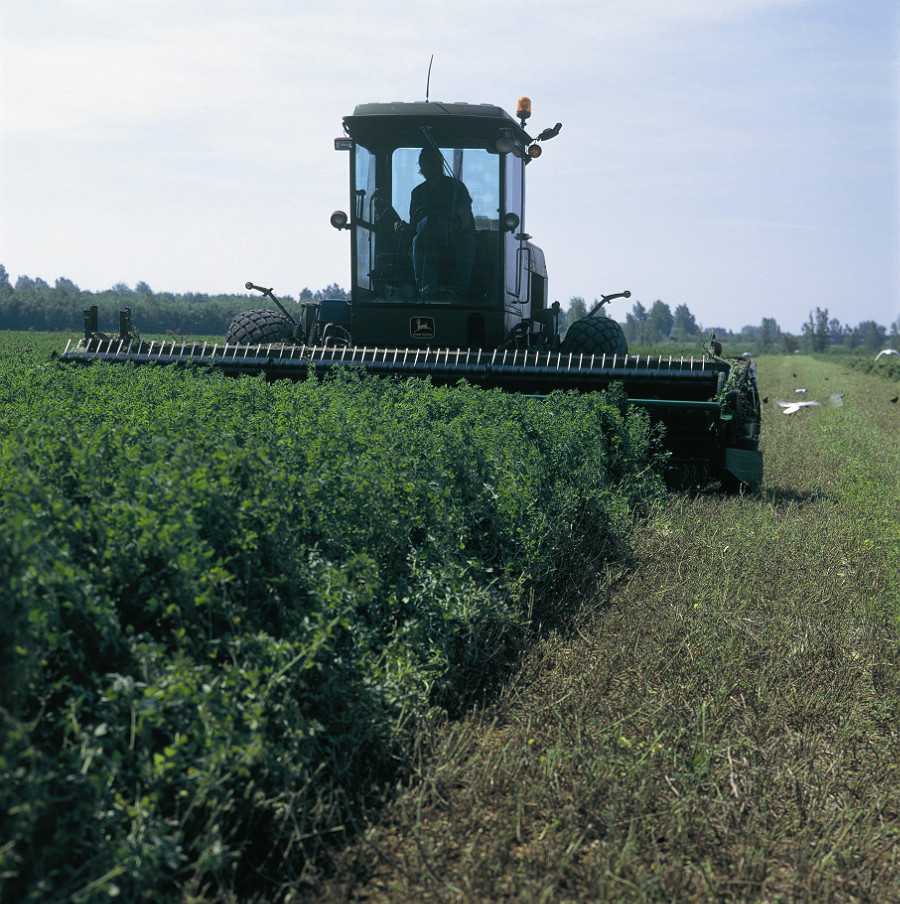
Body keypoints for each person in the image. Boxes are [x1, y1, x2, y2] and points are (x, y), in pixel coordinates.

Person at [406, 147, 476, 297]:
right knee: (417, 241)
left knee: (468, 243)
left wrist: (454, 226)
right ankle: (424, 288)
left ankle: (458, 289)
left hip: (454, 236)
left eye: (431, 163)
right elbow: (414, 221)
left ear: (440, 164)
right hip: (426, 238)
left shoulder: (456, 188)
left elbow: (464, 215)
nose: (427, 168)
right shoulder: (417, 192)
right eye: (424, 164)